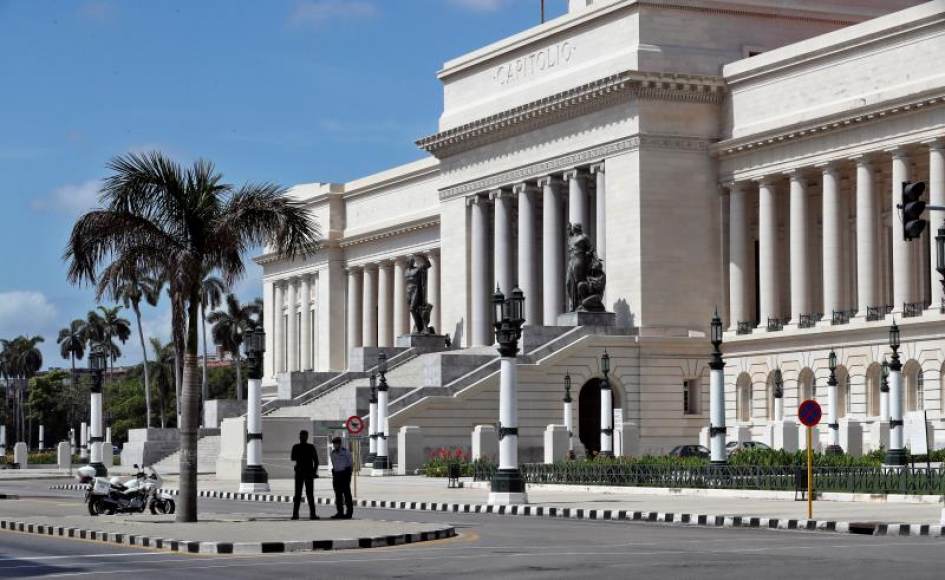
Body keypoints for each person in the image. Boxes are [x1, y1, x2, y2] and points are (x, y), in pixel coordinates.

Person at [290, 430, 319, 520]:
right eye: (302, 436)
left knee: (301, 494)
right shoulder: (309, 447)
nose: (302, 438)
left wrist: (313, 472)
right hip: (305, 472)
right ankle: (310, 514)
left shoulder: (297, 447)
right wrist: (314, 472)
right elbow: (316, 462)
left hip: (302, 472)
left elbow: (293, 458)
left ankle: (297, 515)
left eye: (303, 436)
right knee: (306, 494)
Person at [330, 436, 354, 519]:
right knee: (338, 495)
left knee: (347, 495)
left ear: (339, 444)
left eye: (336, 443)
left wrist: (348, 475)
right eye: (333, 444)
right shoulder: (332, 453)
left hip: (345, 475)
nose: (334, 445)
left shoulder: (346, 452)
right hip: (336, 475)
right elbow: (333, 464)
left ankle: (349, 513)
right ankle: (339, 512)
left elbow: (350, 464)